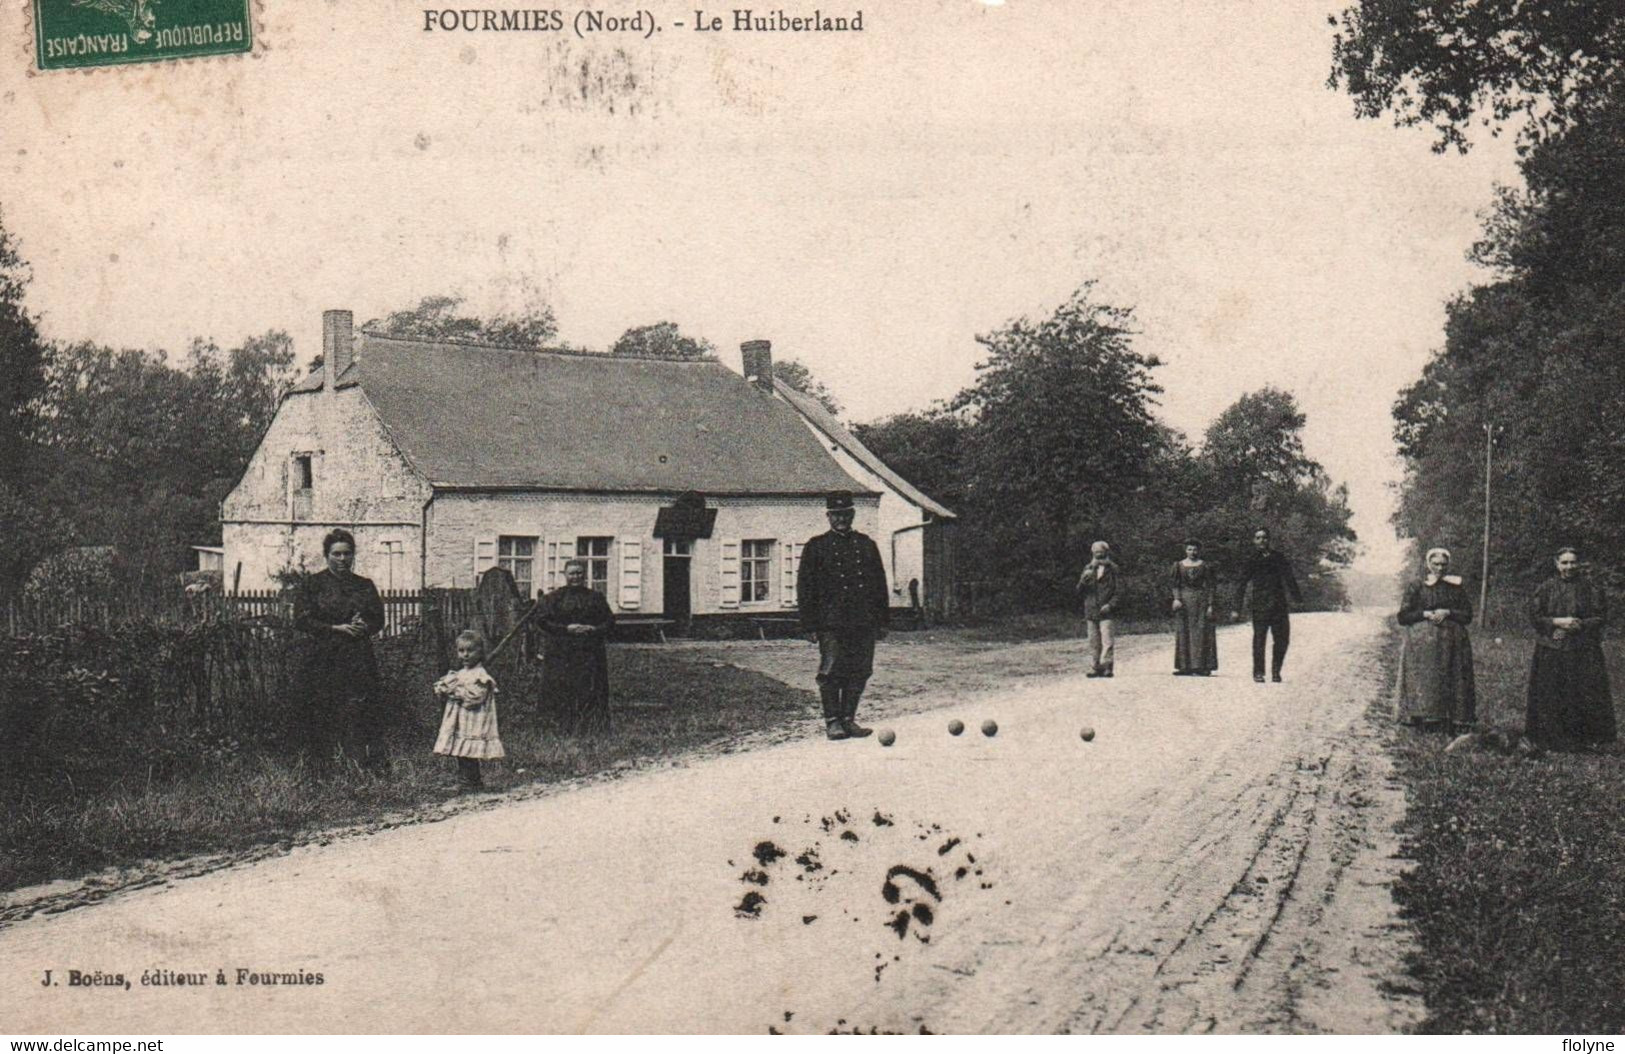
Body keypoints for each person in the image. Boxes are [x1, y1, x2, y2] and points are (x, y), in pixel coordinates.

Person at [292, 528, 389, 771]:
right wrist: (336, 628)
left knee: (358, 711)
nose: (343, 559)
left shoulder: (365, 586)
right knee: (323, 711)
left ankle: (359, 766)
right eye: (337, 554)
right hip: (323, 658)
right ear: (327, 555)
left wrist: (363, 626)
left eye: (347, 554)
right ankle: (321, 767)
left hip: (357, 659)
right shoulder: (313, 585)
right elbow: (302, 620)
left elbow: (378, 620)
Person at [797, 491, 890, 740]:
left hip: (863, 620)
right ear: (828, 516)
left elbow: (879, 584)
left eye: (846, 514)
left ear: (853, 514)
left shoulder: (866, 545)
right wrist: (808, 624)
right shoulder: (816, 547)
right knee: (831, 670)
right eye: (836, 515)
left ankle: (849, 719)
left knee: (860, 669)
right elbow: (805, 588)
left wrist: (881, 621)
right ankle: (832, 721)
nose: (841, 519)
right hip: (831, 622)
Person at [1525, 547, 1616, 750]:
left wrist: (1578, 625)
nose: (1569, 567)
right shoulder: (1546, 588)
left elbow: (1601, 616)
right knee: (1551, 692)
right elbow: (1535, 617)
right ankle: (1550, 737)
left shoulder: (1590, 588)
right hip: (1551, 647)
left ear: (1579, 564)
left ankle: (1583, 738)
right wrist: (1557, 623)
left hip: (1583, 647)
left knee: (1582, 691)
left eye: (1572, 562)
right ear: (1556, 564)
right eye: (1564, 562)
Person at [1394, 547, 1476, 730]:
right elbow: (1403, 616)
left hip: (1452, 641)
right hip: (1423, 643)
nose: (1439, 568)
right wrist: (1425, 613)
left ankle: (1453, 717)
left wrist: (1448, 612)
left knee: (1453, 677)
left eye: (1443, 565)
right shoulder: (1417, 586)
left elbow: (1468, 616)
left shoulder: (1456, 587)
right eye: (1436, 564)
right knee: (1426, 677)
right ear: (1428, 564)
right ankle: (1423, 716)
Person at [537, 558, 616, 733]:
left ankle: (591, 724)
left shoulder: (595, 598)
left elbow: (610, 622)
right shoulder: (554, 599)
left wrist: (593, 629)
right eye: (572, 573)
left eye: (579, 573)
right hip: (562, 651)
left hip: (590, 650)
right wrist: (566, 628)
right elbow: (543, 622)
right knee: (562, 687)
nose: (576, 577)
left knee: (590, 686)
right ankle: (560, 724)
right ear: (565, 575)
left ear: (584, 575)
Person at [434, 629, 505, 791]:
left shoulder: (480, 675)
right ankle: (468, 780)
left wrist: (454, 691)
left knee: (468, 750)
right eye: (461, 651)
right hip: (459, 720)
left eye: (470, 651)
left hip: (473, 719)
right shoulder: (460, 673)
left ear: (480, 652)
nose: (465, 655)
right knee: (460, 750)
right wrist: (443, 688)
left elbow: (474, 698)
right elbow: (448, 688)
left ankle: (470, 781)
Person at [1231, 527, 1303, 683]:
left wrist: (1298, 600)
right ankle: (1258, 672)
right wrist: (1236, 608)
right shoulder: (1251, 560)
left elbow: (1289, 579)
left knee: (1282, 639)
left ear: (1269, 540)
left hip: (1279, 605)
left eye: (1264, 537)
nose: (1261, 540)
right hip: (1260, 605)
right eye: (1258, 537)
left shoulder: (1279, 558)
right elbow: (1241, 584)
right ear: (1254, 541)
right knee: (1259, 639)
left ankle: (1276, 671)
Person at [1170, 541, 1218, 676]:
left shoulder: (1205, 566)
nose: (1192, 552)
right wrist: (1176, 598)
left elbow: (1210, 586)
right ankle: (1184, 667)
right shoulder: (1179, 565)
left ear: (1199, 551)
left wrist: (1210, 604)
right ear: (1185, 551)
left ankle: (1202, 666)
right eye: (1189, 549)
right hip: (1184, 601)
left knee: (1201, 632)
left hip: (1200, 601)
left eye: (1195, 549)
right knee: (1183, 631)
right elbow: (1175, 584)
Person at [1076, 541, 1120, 678]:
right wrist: (1083, 580)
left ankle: (1107, 667)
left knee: (1107, 640)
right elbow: (1079, 590)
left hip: (1106, 610)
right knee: (1093, 641)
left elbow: (1119, 590)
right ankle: (1096, 667)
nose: (1098, 555)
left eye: (1100, 552)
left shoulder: (1113, 568)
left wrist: (1111, 604)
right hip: (1091, 609)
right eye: (1095, 552)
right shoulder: (1088, 568)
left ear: (1106, 552)